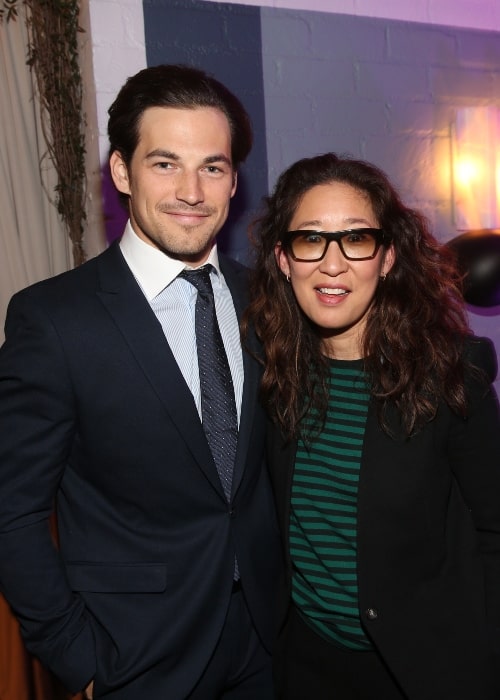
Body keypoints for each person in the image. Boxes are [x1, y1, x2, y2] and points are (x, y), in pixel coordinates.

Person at [0, 64, 283, 700]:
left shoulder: (265, 301)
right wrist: (78, 659)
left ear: (234, 180)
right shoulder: (54, 320)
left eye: (212, 166)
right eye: (164, 164)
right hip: (136, 655)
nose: (192, 190)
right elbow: (11, 511)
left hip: (267, 642)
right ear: (122, 172)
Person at [243, 152, 500, 699]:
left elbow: (496, 531)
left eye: (356, 239)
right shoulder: (269, 370)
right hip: (305, 666)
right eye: (310, 239)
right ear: (283, 258)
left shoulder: (452, 375)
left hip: (422, 671)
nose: (332, 264)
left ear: (386, 258)